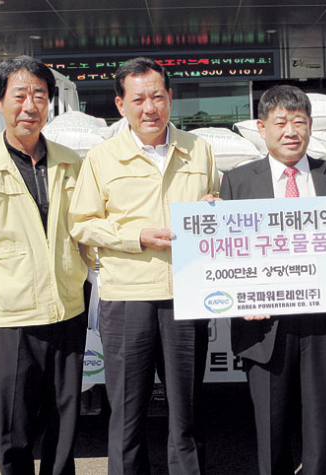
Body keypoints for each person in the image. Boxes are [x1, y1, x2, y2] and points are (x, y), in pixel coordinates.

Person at [69, 57, 220, 475]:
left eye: (157, 96)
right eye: (138, 99)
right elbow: (81, 225)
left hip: (185, 299)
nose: (149, 107)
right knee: (126, 417)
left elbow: (215, 208)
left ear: (170, 97)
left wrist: (216, 209)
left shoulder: (198, 149)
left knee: (186, 415)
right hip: (127, 300)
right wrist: (135, 237)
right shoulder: (102, 158)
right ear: (121, 105)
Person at [219, 85, 326, 475]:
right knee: (270, 428)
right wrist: (238, 300)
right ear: (261, 127)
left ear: (311, 126)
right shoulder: (236, 182)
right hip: (262, 324)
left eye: (299, 122)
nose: (290, 131)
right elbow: (224, 251)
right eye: (280, 122)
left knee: (322, 428)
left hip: (322, 323)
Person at [0, 55, 91, 475]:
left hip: (67, 310)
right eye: (19, 95)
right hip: (9, 320)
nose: (29, 106)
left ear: (50, 103)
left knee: (63, 424)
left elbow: (94, 228)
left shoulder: (72, 163)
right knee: (14, 432)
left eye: (39, 95)